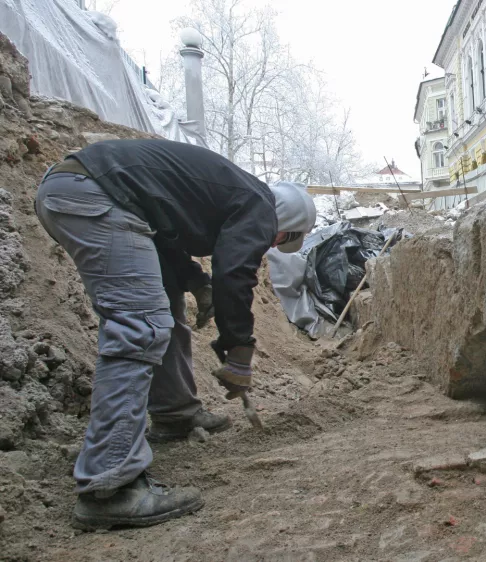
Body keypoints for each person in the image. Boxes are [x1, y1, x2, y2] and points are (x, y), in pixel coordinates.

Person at [34, 139, 316, 530]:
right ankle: (111, 487)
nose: (269, 242)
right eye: (279, 239)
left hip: (80, 191)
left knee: (162, 307)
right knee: (140, 326)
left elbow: (163, 232)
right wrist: (238, 350)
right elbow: (235, 274)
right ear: (284, 228)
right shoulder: (260, 206)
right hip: (96, 196)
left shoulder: (223, 192)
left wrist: (195, 281)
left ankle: (175, 414)